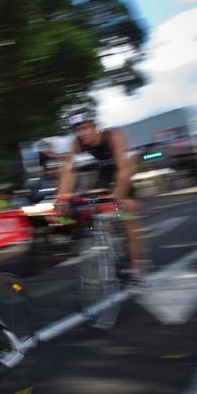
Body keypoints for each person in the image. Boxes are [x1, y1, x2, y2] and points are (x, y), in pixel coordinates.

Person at [56, 106, 149, 278]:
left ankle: (136, 263)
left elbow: (123, 169)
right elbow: (67, 171)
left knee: (127, 214)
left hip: (124, 173)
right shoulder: (77, 143)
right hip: (104, 177)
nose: (82, 134)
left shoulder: (113, 135)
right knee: (88, 203)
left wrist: (117, 195)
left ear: (95, 125)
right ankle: (102, 234)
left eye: (85, 128)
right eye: (77, 130)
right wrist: (61, 197)